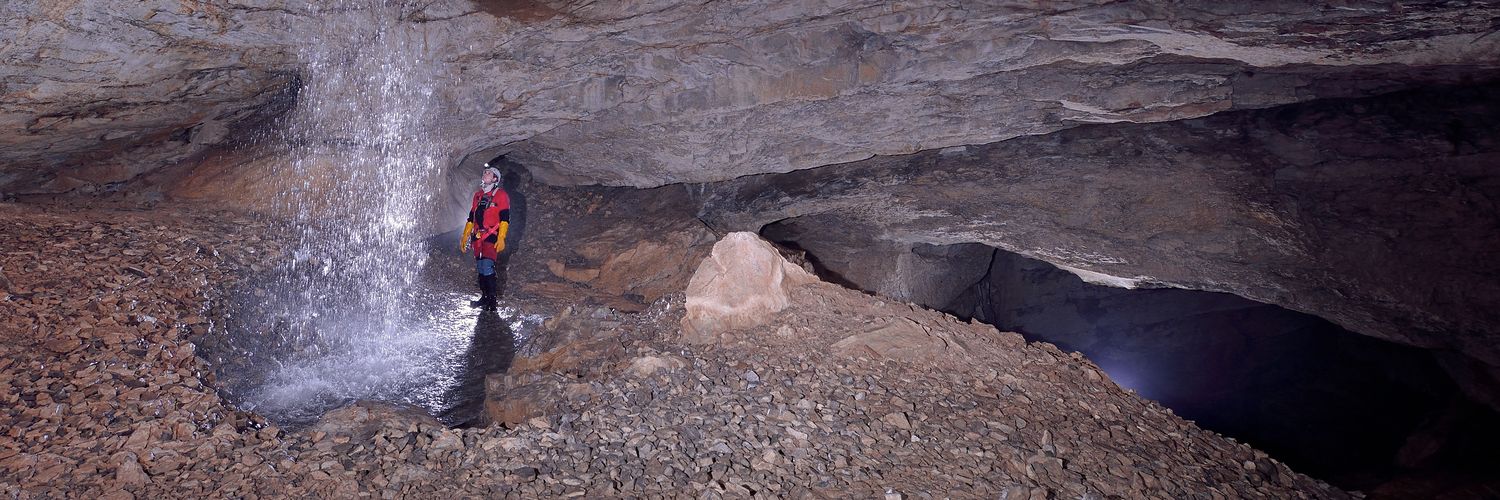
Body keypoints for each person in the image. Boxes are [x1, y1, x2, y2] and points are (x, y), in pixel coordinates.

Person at [459, 165, 510, 310]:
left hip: (491, 234)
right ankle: (484, 297)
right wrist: (465, 235)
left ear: (495, 179)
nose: (485, 174)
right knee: (481, 267)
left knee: (487, 266)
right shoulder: (478, 195)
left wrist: (501, 237)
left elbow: (505, 218)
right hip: (478, 235)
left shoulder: (501, 195)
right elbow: (471, 217)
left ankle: (492, 301)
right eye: (484, 173)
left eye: (488, 173)